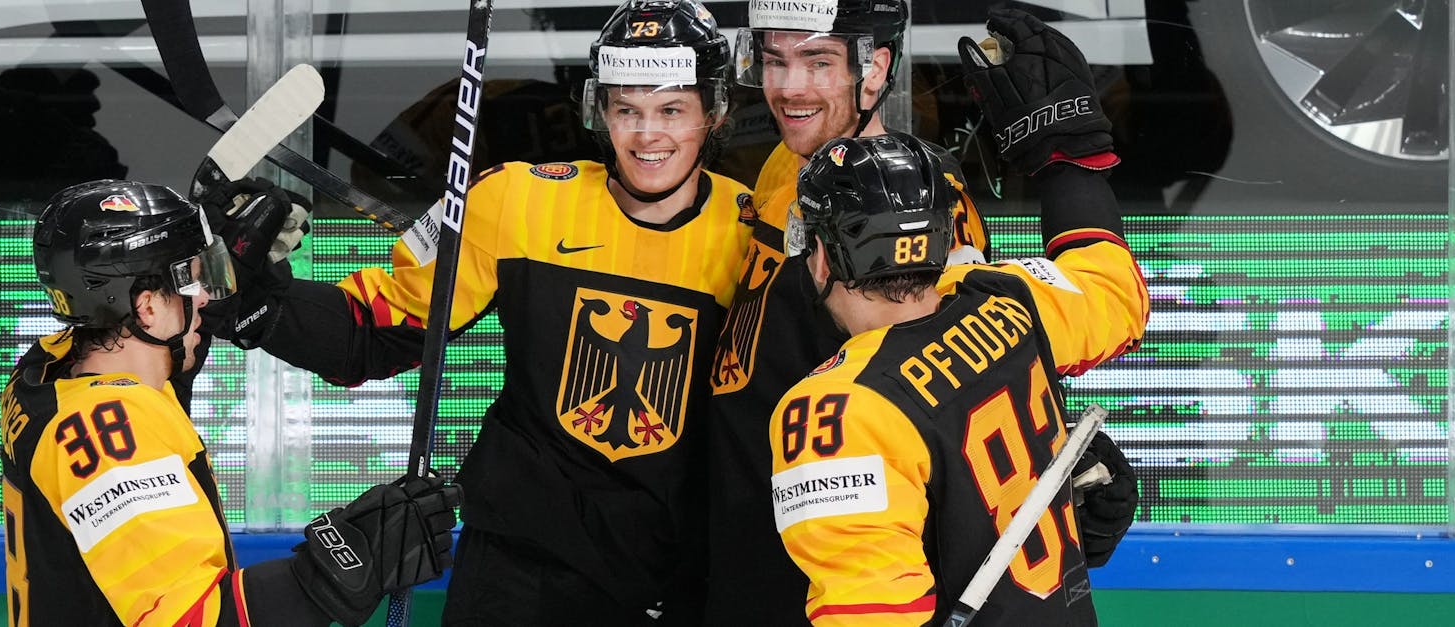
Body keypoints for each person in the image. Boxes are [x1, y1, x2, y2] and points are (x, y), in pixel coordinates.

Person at [200, 1, 750, 623]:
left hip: (677, 577)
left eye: (672, 109)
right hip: (522, 567)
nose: (648, 135)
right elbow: (374, 330)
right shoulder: (513, 199)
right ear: (600, 109)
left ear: (716, 110)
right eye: (627, 109)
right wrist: (256, 299)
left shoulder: (755, 232)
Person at [2, 179, 461, 626]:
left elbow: (153, 360)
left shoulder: (44, 374)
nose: (206, 298)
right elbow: (195, 619)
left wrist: (217, 260)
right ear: (144, 306)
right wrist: (352, 560)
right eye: (190, 282)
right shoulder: (114, 437)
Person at [769, 130, 1145, 625]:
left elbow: (872, 614)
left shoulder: (836, 408)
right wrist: (1068, 149)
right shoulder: (1009, 296)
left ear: (820, 256)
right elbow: (1117, 297)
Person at [703, 1, 998, 622]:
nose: (787, 89)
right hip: (742, 555)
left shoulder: (920, 200)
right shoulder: (788, 165)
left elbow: (952, 389)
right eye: (776, 61)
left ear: (873, 69)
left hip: (834, 570)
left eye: (818, 62)